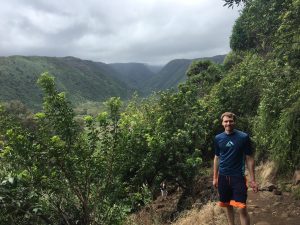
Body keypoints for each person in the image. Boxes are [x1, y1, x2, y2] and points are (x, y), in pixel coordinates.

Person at [213, 112, 258, 225]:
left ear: (234, 122)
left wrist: (253, 180)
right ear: (222, 123)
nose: (228, 123)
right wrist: (215, 177)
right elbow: (217, 158)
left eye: (231, 121)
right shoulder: (218, 138)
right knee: (227, 205)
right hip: (223, 176)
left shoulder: (243, 137)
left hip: (238, 177)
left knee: (241, 207)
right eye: (226, 121)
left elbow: (249, 158)